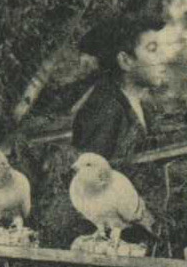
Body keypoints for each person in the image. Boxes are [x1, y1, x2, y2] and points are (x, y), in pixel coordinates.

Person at [70, 13, 170, 165]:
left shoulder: (139, 103)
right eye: (152, 49)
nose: (163, 57)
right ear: (125, 61)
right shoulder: (103, 110)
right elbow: (90, 177)